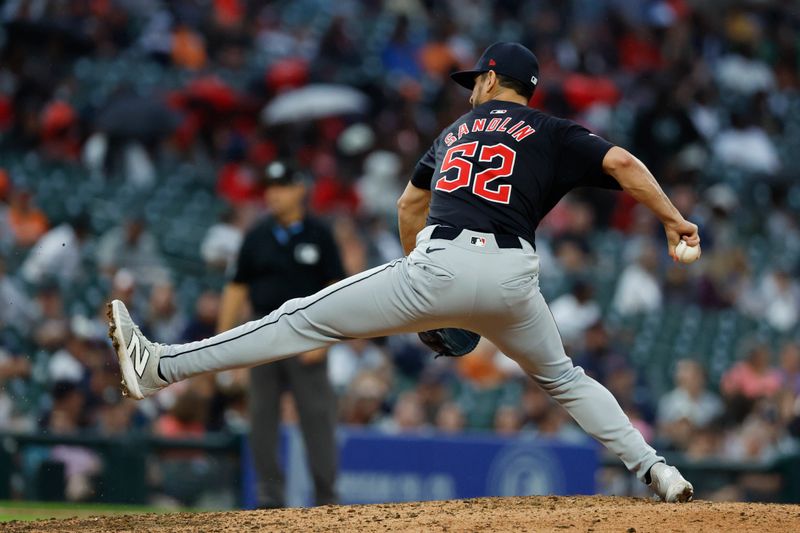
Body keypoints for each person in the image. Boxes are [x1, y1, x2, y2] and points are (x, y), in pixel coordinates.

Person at [109, 42, 698, 503]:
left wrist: (422, 283)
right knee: (565, 378)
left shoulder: (452, 133)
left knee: (299, 320)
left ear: (491, 79)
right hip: (514, 280)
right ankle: (657, 470)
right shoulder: (552, 131)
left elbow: (408, 208)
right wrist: (674, 222)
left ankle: (161, 367)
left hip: (438, 266)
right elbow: (620, 161)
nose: (472, 90)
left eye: (477, 80)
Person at [215, 160, 345, 508]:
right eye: (269, 187)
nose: (272, 194)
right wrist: (223, 344)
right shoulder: (256, 236)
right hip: (264, 331)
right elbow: (236, 289)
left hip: (308, 332)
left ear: (299, 189)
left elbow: (337, 288)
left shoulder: (319, 234)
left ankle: (326, 499)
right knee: (262, 418)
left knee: (317, 417)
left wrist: (326, 339)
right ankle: (270, 499)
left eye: (280, 186)